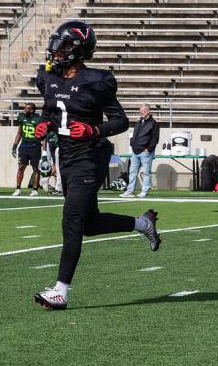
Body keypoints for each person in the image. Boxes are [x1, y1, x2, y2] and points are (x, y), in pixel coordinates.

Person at [32, 20, 161, 311]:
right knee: (88, 224)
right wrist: (43, 124)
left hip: (90, 157)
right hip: (65, 156)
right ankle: (143, 224)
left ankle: (61, 291)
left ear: (79, 50)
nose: (56, 50)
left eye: (64, 45)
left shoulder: (96, 80)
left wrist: (94, 130)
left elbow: (121, 121)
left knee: (72, 220)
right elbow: (52, 113)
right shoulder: (49, 77)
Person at [121, 104, 159, 199]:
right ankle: (130, 191)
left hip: (145, 152)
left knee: (146, 172)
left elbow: (155, 138)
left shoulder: (154, 123)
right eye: (140, 110)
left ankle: (144, 191)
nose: (141, 112)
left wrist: (148, 149)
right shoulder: (138, 122)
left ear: (148, 111)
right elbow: (135, 136)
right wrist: (133, 145)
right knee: (132, 172)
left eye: (143, 110)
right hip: (135, 151)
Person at [12, 102, 41, 197]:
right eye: (24, 108)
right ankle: (18, 188)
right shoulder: (22, 117)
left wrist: (44, 151)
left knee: (36, 168)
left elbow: (43, 136)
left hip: (35, 145)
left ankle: (35, 189)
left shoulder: (38, 119)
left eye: (27, 109)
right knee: (21, 167)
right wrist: (15, 146)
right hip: (24, 145)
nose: (25, 110)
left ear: (32, 110)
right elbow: (19, 133)